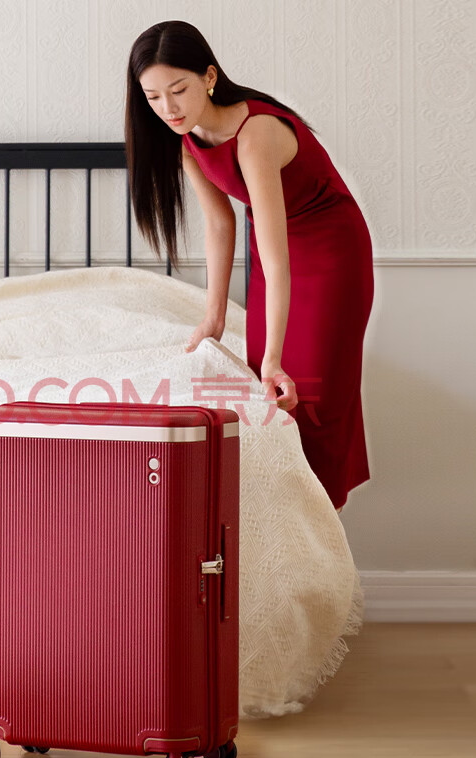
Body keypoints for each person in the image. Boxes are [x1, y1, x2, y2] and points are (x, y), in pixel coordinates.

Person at [125, 20, 374, 512]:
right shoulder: (188, 139)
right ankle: (287, 526)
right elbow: (221, 225)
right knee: (270, 397)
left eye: (178, 90)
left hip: (330, 250)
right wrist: (213, 317)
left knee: (312, 393)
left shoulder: (254, 133)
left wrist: (274, 355)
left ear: (209, 77)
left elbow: (278, 257)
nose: (168, 108)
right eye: (153, 98)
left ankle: (321, 530)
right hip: (274, 245)